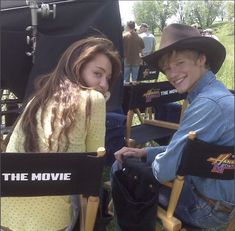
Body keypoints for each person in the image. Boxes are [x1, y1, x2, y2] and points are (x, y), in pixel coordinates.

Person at [113, 23, 234, 229]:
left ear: (201, 59)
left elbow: (165, 171)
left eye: (179, 62)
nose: (172, 73)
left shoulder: (208, 104)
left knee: (122, 168)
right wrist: (144, 153)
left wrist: (150, 160)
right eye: (167, 68)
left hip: (205, 207)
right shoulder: (220, 95)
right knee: (136, 161)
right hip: (220, 196)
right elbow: (191, 153)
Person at [1, 36, 122, 231]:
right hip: (54, 220)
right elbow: (93, 166)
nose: (104, 85)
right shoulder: (94, 100)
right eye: (97, 74)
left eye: (108, 79)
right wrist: (101, 99)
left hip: (7, 210)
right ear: (76, 67)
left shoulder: (38, 99)